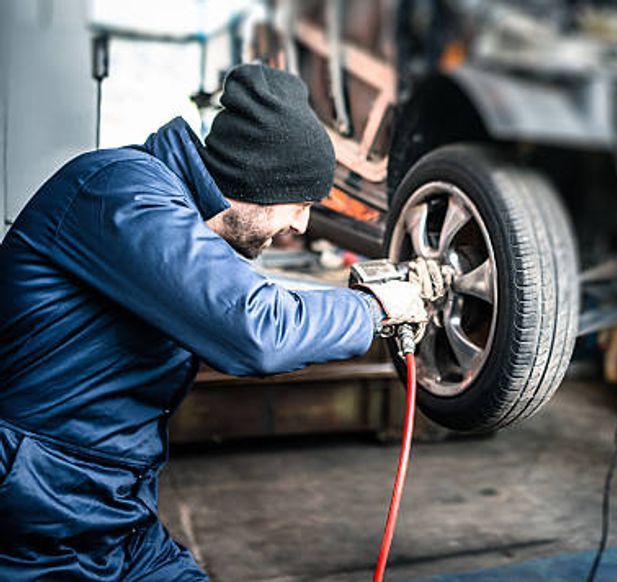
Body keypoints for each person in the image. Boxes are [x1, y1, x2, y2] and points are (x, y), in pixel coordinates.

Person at [0, 64, 432, 580]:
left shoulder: (173, 217)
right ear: (258, 180)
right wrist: (376, 307)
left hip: (112, 516)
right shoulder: (121, 191)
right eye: (300, 203)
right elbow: (255, 330)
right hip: (30, 523)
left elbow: (242, 300)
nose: (301, 224)